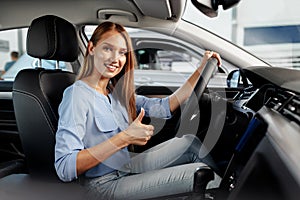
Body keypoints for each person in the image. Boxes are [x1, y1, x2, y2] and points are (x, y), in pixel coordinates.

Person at [54, 22, 222, 199]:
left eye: (122, 53)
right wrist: (124, 138)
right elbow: (65, 167)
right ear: (91, 48)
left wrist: (201, 69)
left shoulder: (115, 92)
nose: (115, 59)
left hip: (126, 166)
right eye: (108, 49)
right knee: (200, 174)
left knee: (189, 142)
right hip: (102, 185)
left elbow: (164, 107)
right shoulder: (77, 95)